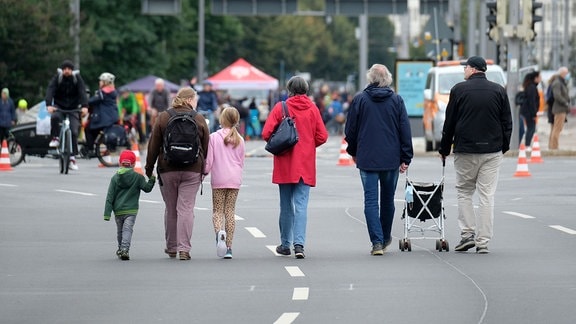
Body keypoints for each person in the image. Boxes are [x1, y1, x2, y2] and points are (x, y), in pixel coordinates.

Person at [439, 56, 512, 254]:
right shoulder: (498, 91)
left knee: (464, 192)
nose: (464, 70)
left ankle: (467, 235)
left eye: (466, 67)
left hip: (466, 150)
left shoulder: (459, 90)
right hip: (492, 151)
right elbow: (507, 122)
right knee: (487, 196)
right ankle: (483, 242)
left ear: (472, 69)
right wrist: (502, 147)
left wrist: (444, 149)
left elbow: (450, 123)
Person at [344, 64, 414, 256]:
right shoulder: (397, 101)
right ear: (388, 79)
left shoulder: (360, 100)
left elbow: (350, 130)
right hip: (391, 159)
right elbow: (405, 130)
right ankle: (385, 237)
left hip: (367, 158)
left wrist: (353, 151)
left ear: (370, 78)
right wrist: (406, 156)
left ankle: (376, 242)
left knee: (371, 201)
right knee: (388, 200)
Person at [262, 76, 328, 259]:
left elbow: (266, 132)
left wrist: (282, 142)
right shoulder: (313, 109)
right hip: (305, 163)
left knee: (285, 205)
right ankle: (299, 245)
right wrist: (307, 144)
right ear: (306, 90)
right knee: (301, 205)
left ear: (289, 90)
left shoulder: (280, 107)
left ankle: (285, 244)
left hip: (285, 162)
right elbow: (322, 136)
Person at [145, 87, 209, 261]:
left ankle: (172, 247)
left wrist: (149, 168)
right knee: (186, 209)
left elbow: (153, 145)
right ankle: (184, 249)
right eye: (195, 99)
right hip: (192, 170)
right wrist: (202, 168)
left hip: (168, 168)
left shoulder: (163, 116)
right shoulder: (199, 118)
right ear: (189, 100)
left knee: (171, 208)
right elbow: (205, 146)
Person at [204, 107, 245, 259]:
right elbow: (241, 162)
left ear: (222, 119)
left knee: (217, 211)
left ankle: (219, 233)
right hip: (234, 179)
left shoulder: (213, 137)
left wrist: (203, 174)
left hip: (219, 179)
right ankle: (229, 247)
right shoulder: (240, 139)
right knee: (230, 212)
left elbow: (209, 160)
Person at [104, 150, 156, 260]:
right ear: (133, 164)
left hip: (118, 210)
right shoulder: (138, 177)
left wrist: (107, 214)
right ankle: (124, 249)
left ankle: (120, 248)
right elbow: (147, 189)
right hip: (132, 210)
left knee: (120, 231)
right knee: (128, 229)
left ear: (120, 163)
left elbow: (110, 197)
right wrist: (152, 179)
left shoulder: (114, 178)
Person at [45, 60, 88, 171]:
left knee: (74, 130)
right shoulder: (57, 78)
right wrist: (49, 104)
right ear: (62, 70)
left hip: (73, 107)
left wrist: (84, 106)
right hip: (59, 106)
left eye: (69, 69)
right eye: (65, 69)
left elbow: (82, 91)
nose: (67, 71)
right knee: (55, 117)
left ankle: (72, 157)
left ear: (72, 70)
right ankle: (55, 137)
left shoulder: (77, 78)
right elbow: (50, 90)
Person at [86, 73, 119, 155]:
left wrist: (84, 102)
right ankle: (95, 147)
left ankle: (90, 150)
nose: (99, 82)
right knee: (94, 131)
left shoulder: (104, 92)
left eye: (101, 81)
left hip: (104, 118)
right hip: (111, 117)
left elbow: (93, 100)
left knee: (88, 129)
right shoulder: (112, 91)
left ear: (105, 82)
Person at [548, 67, 571, 150]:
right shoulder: (558, 83)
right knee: (557, 128)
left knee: (556, 128)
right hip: (560, 109)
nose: (568, 75)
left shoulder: (561, 82)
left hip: (561, 108)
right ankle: (554, 147)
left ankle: (552, 146)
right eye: (566, 73)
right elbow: (557, 95)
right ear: (562, 73)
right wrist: (565, 102)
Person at [519, 71, 541, 149]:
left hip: (527, 111)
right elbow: (532, 102)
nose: (540, 79)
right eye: (539, 77)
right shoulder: (532, 87)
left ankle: (527, 144)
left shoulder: (530, 86)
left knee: (530, 128)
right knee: (531, 128)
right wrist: (534, 114)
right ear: (535, 78)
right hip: (529, 112)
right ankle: (527, 145)